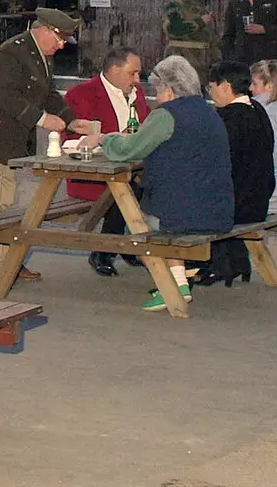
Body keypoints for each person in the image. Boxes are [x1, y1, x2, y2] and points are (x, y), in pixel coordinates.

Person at [0, 7, 97, 285]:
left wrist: (70, 120)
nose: (61, 45)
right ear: (44, 29)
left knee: (5, 204)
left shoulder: (40, 54)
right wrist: (43, 119)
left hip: (10, 141)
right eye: (58, 39)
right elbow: (3, 95)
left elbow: (47, 93)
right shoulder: (11, 53)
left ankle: (8, 263)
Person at [80, 56, 233, 311]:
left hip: (183, 215)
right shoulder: (209, 111)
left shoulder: (167, 115)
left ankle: (175, 285)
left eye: (158, 90)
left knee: (139, 223)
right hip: (219, 209)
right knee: (168, 208)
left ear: (169, 90)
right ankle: (181, 275)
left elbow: (129, 151)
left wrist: (104, 139)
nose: (156, 97)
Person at [62, 49, 150, 277]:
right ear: (114, 70)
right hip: (95, 173)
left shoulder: (135, 92)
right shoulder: (81, 94)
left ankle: (123, 244)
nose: (138, 80)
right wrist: (113, 140)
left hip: (131, 168)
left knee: (153, 181)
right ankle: (107, 249)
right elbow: (72, 143)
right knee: (128, 189)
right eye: (133, 73)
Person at [203, 61, 275, 285]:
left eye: (211, 86)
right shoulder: (258, 110)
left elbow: (218, 165)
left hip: (238, 205)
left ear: (225, 87)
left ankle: (214, 263)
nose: (210, 91)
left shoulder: (228, 119)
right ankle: (237, 261)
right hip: (259, 199)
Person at [163, 0, 219, 86]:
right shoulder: (175, 5)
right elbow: (172, 30)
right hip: (182, 60)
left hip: (202, 62)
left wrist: (216, 58)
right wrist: (199, 22)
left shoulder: (201, 6)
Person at [223, 0, 277, 64]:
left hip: (269, 60)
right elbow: (228, 35)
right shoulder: (236, 3)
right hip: (242, 59)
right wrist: (229, 59)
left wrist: (265, 29)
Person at [251, 60, 277, 212]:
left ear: (270, 86)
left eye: (254, 84)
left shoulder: (259, 112)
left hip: (269, 200)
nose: (250, 89)